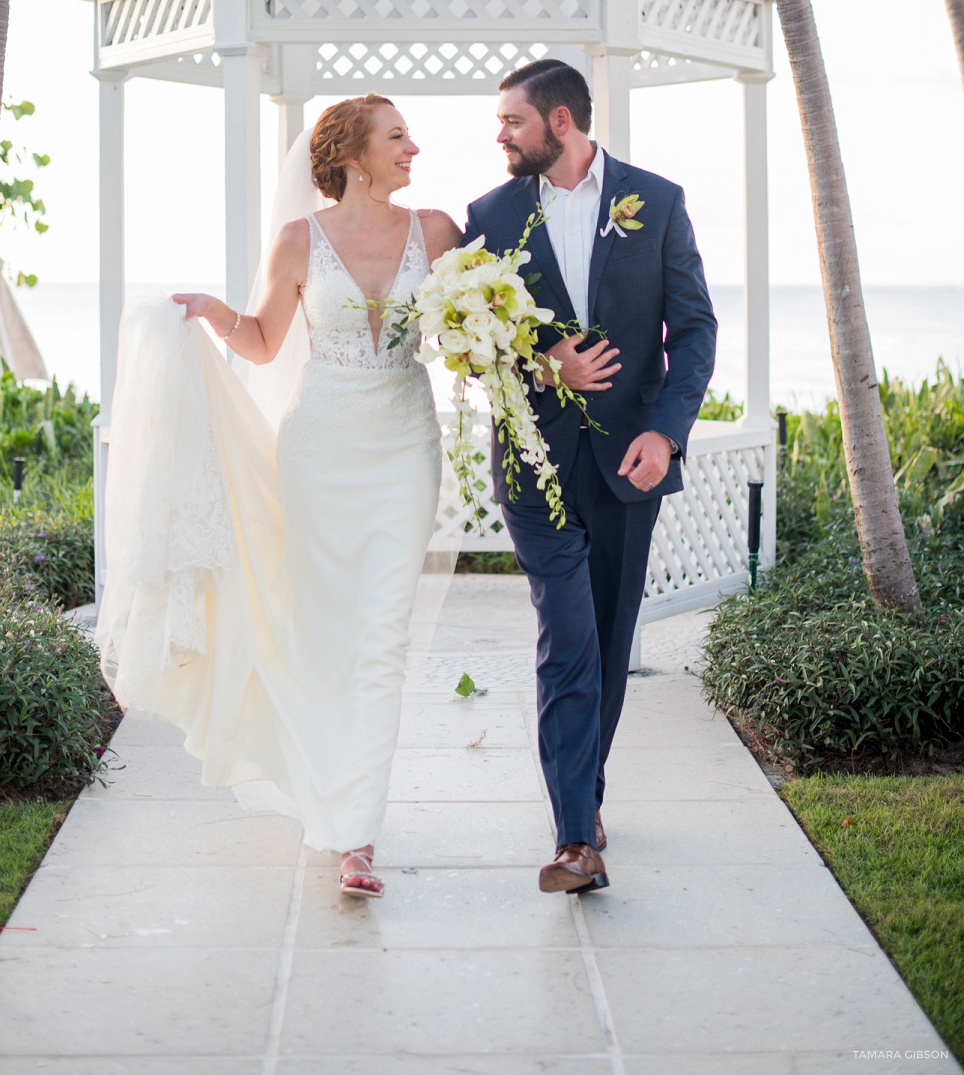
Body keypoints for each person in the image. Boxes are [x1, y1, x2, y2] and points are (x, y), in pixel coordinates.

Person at [97, 94, 461, 900]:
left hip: (404, 442)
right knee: (326, 634)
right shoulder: (299, 241)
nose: (413, 149)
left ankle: (356, 835)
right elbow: (263, 344)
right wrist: (207, 314)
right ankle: (333, 810)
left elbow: (462, 332)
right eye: (397, 137)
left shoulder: (436, 232)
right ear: (354, 155)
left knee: (383, 639)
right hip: (321, 446)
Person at [463, 59, 717, 895]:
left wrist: (667, 435)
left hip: (628, 465)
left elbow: (696, 330)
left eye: (512, 122)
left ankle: (585, 792)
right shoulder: (489, 218)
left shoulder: (658, 200)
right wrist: (546, 366)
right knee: (566, 636)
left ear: (561, 121)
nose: (499, 135)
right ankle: (576, 838)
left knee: (606, 640)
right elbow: (472, 345)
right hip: (532, 463)